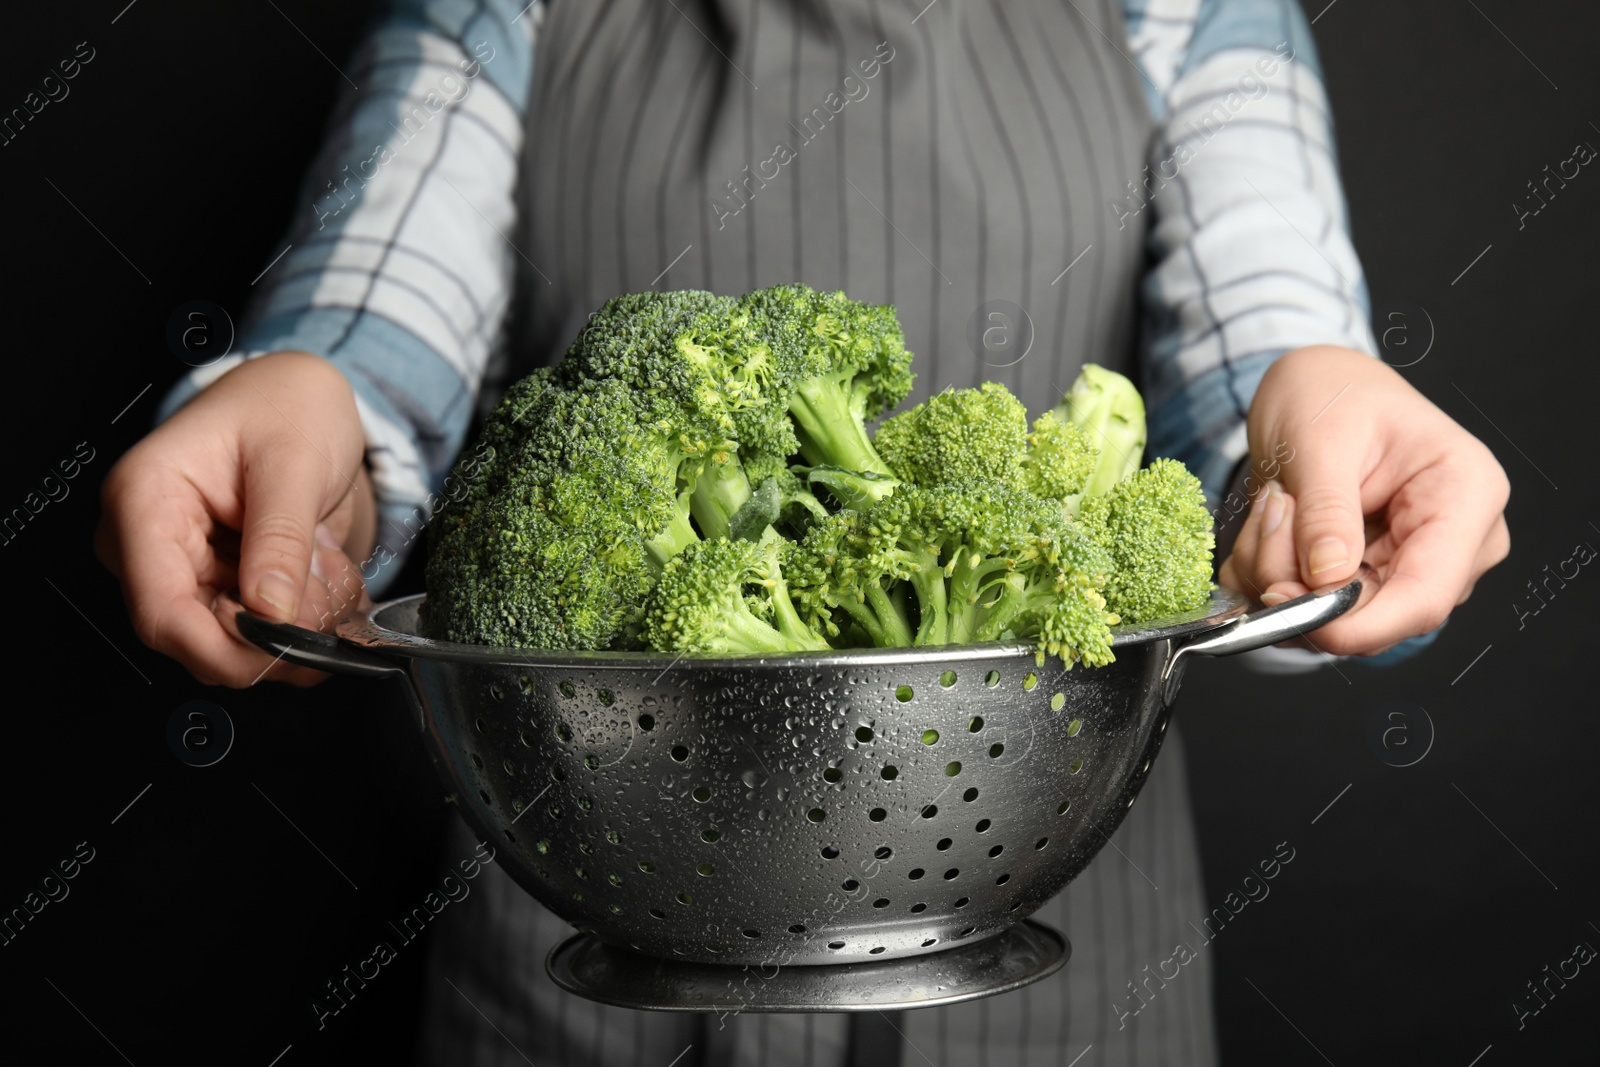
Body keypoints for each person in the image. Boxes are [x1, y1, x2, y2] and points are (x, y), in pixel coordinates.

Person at [96, 0, 1510, 1062]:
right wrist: (309, 397)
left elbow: (1258, 342)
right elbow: (378, 305)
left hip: (1073, 967)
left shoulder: (1190, 9)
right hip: (570, 948)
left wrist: (1314, 432)